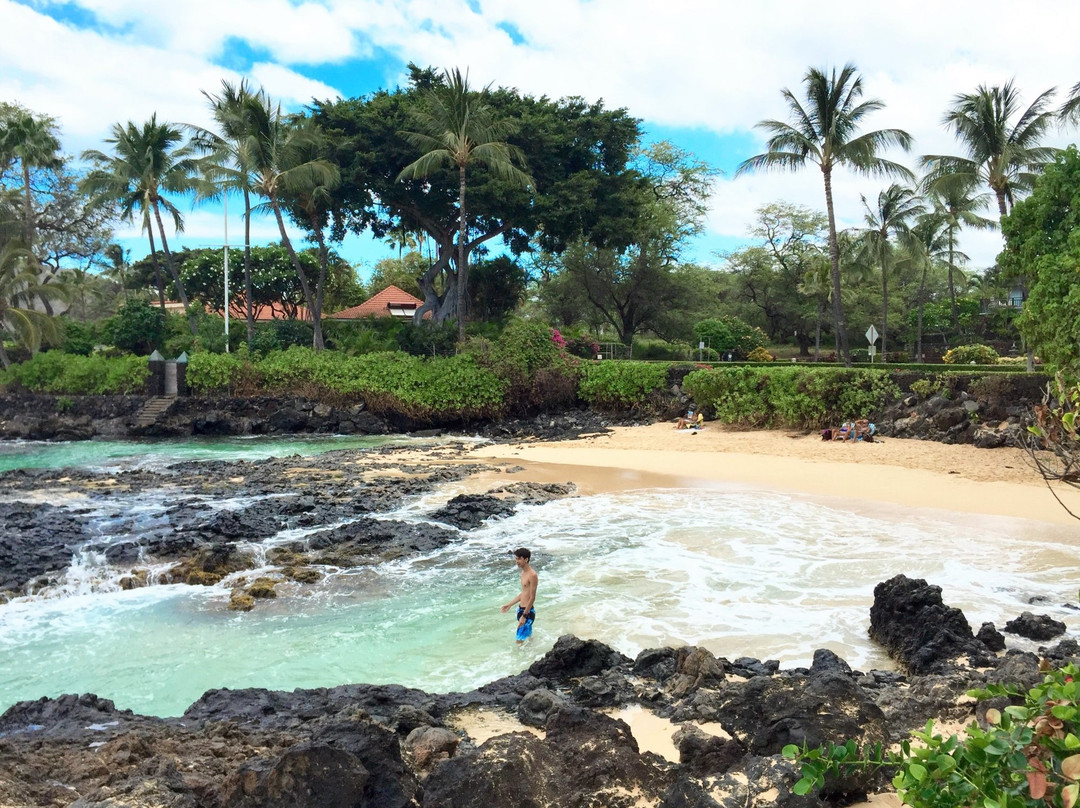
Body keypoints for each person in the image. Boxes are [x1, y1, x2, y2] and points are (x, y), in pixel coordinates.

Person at [501, 547, 538, 645]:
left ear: (526, 559)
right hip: (521, 609)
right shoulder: (523, 573)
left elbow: (532, 597)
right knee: (528, 637)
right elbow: (524, 593)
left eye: (519, 559)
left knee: (519, 642)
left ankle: (521, 658)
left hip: (528, 612)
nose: (517, 561)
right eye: (516, 559)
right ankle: (534, 653)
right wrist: (509, 604)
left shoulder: (532, 575)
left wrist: (524, 616)